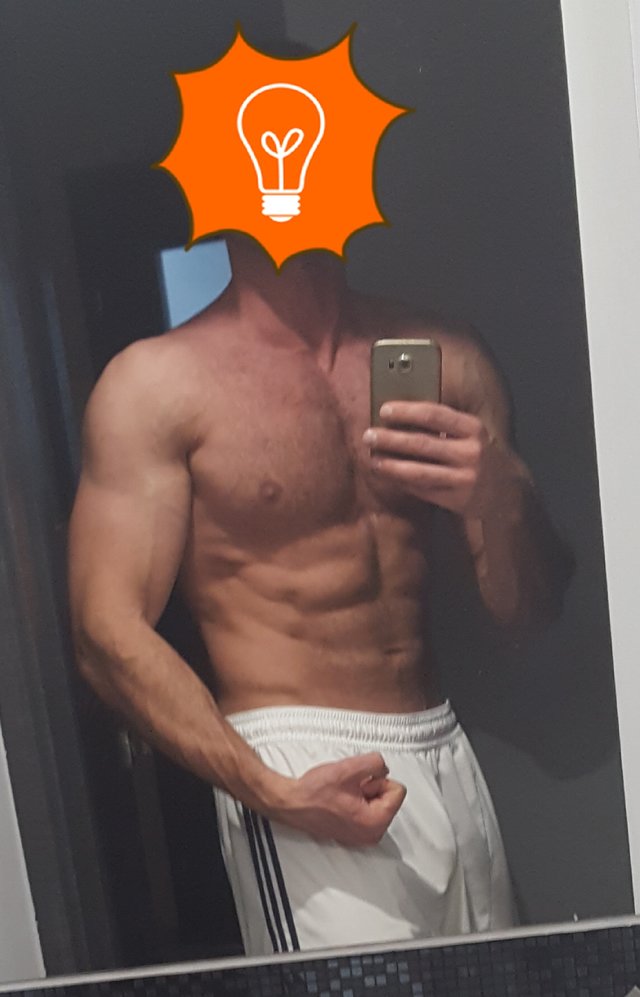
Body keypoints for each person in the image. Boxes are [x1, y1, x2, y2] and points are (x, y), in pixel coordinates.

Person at [68, 235, 572, 955]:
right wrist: (272, 790)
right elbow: (104, 634)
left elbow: (527, 616)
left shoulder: (450, 356)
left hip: (443, 750)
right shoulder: (155, 385)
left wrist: (502, 496)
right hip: (296, 762)